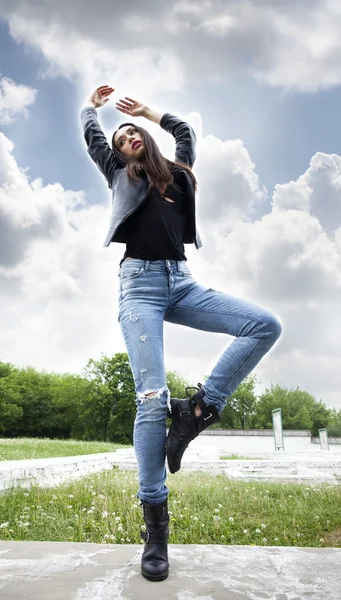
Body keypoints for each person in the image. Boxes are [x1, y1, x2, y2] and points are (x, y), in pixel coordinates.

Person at [80, 85, 283, 582]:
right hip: (140, 286)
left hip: (182, 281)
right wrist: (92, 106)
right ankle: (156, 529)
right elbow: (92, 136)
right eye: (120, 136)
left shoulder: (178, 173)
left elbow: (186, 132)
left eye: (133, 133)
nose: (125, 136)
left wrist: (148, 111)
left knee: (264, 325)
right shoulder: (116, 172)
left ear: (146, 141)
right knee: (151, 398)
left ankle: (198, 410)